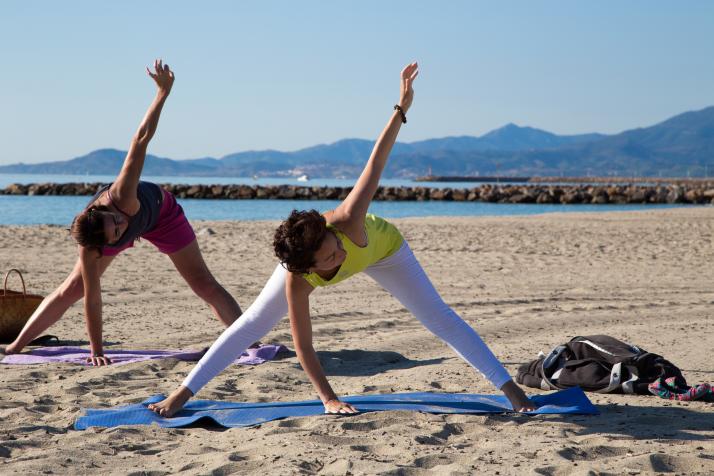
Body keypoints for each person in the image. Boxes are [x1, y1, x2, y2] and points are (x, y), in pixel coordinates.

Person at [148, 62, 536, 416]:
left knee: (439, 318)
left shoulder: (348, 222)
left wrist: (401, 108)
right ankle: (181, 394)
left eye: (335, 247)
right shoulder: (296, 279)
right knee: (251, 324)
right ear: (309, 269)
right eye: (330, 259)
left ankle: (512, 392)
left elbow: (376, 161)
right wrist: (328, 399)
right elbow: (303, 346)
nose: (339, 255)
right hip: (312, 270)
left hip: (387, 250)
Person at [2, 60, 242, 365]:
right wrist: (96, 352)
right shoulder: (91, 246)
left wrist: (162, 94)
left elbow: (140, 139)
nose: (122, 226)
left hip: (163, 215)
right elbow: (93, 299)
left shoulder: (121, 196)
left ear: (102, 210)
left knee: (203, 283)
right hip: (109, 234)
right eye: (117, 233)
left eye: (115, 222)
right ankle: (16, 344)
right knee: (72, 288)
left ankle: (248, 341)